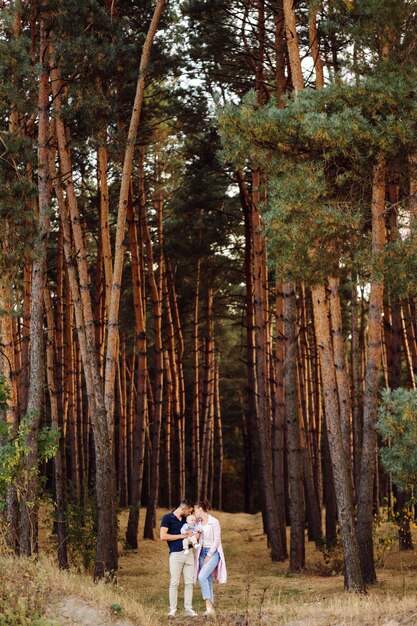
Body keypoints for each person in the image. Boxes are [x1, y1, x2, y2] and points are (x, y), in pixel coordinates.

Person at [160, 499, 198, 618]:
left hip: (189, 553)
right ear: (183, 509)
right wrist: (181, 536)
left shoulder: (187, 519)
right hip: (176, 555)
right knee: (174, 582)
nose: (189, 514)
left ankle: (188, 608)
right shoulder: (167, 518)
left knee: (189, 582)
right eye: (188, 511)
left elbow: (196, 528)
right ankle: (172, 609)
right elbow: (163, 536)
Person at [193, 499, 227, 616]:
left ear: (200, 509)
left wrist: (209, 555)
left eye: (195, 510)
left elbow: (217, 540)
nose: (194, 512)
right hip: (201, 552)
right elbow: (194, 535)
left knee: (201, 576)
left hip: (213, 553)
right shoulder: (197, 522)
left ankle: (208, 606)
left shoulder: (214, 522)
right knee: (207, 579)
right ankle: (210, 609)